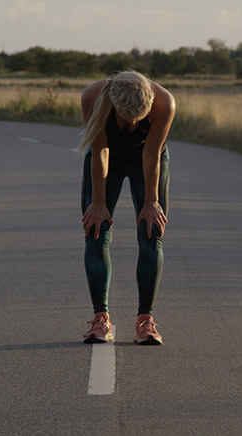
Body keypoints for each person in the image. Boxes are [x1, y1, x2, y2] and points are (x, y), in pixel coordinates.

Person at [79, 70, 175, 345]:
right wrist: (98, 203)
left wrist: (151, 202)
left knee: (151, 231)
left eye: (139, 120)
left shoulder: (164, 103)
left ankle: (145, 321)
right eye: (125, 118)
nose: (132, 125)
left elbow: (151, 154)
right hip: (106, 157)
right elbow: (100, 151)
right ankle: (101, 319)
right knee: (95, 230)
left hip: (148, 159)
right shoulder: (93, 97)